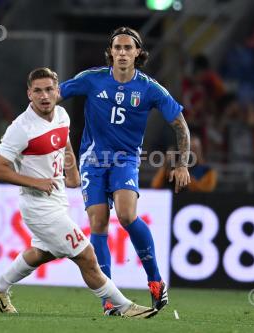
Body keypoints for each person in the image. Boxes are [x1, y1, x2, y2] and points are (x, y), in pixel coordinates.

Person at [0, 67, 157, 319]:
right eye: (38, 91)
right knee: (87, 256)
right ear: (29, 94)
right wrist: (35, 182)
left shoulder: (62, 115)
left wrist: (72, 171)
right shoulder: (21, 128)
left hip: (57, 199)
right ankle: (123, 306)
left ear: (57, 90)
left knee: (42, 253)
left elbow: (64, 142)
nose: (44, 96)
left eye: (49, 89)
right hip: (37, 206)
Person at [59, 27, 191, 314]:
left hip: (125, 161)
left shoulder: (149, 88)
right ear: (110, 52)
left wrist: (182, 163)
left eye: (127, 48)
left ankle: (155, 279)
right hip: (92, 161)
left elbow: (180, 123)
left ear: (137, 53)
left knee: (127, 214)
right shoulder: (92, 79)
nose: (121, 53)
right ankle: (109, 297)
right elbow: (53, 97)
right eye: (117, 48)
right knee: (98, 224)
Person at [151, 137, 217, 192]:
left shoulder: (207, 171)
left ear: (201, 150)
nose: (192, 152)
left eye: (195, 148)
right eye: (189, 149)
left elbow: (207, 189)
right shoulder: (172, 169)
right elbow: (155, 186)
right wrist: (166, 164)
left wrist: (186, 180)